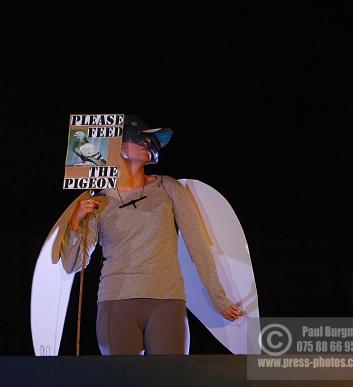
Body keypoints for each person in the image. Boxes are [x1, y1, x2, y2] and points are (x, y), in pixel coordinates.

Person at [60, 115, 244, 355]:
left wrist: (219, 299)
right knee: (125, 384)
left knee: (170, 382)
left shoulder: (168, 187)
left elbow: (197, 245)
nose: (151, 145)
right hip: (116, 301)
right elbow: (74, 264)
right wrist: (76, 222)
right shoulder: (99, 200)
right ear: (121, 146)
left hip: (167, 300)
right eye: (144, 140)